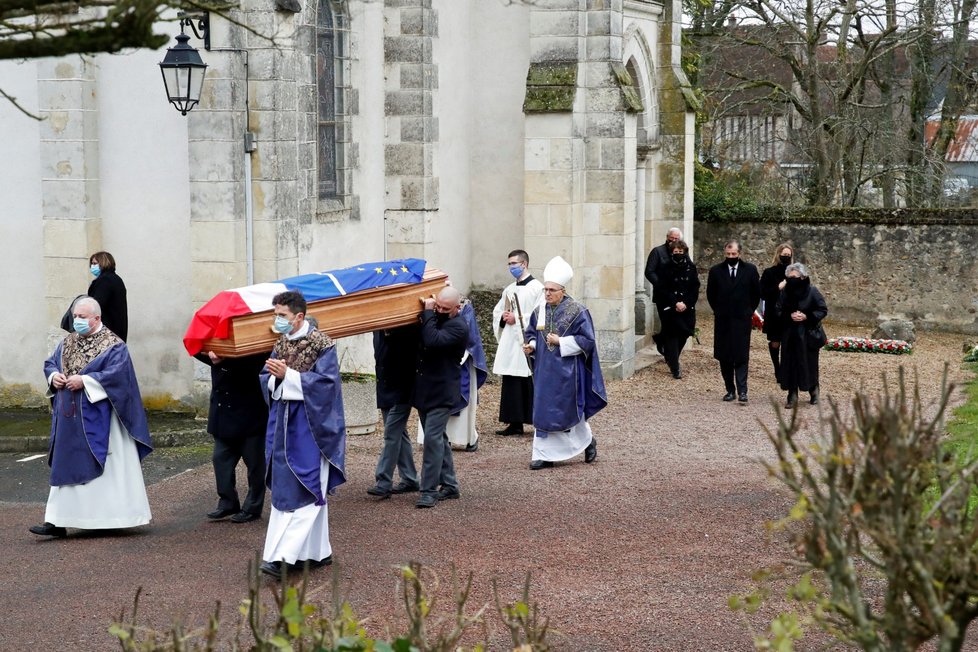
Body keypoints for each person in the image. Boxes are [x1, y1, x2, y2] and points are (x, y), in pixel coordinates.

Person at [31, 297, 153, 538]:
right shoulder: (67, 342)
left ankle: (109, 517)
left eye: (83, 317)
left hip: (101, 417)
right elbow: (51, 363)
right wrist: (54, 376)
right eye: (75, 317)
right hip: (69, 419)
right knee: (64, 462)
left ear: (96, 318)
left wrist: (86, 380)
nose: (78, 321)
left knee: (107, 468)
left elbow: (119, 376)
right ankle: (56, 520)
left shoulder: (114, 345)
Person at [258, 291, 346, 580]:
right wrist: (274, 378)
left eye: (281, 315)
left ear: (299, 316)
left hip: (312, 427)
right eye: (275, 314)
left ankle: (282, 557)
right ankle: (317, 552)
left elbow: (327, 386)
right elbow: (266, 377)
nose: (276, 320)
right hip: (283, 423)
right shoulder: (281, 343)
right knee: (286, 488)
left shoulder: (323, 345)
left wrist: (289, 377)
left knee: (308, 487)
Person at [522, 256, 607, 470]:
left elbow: (588, 341)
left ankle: (587, 442)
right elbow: (532, 333)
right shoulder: (539, 310)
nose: (547, 293)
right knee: (542, 410)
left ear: (563, 290)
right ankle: (543, 454)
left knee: (567, 411)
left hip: (568, 372)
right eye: (545, 290)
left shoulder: (578, 311)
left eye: (552, 290)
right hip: (544, 370)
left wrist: (562, 341)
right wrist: (531, 345)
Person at [194, 350, 268, 523]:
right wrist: (212, 356)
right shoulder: (217, 334)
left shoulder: (254, 342)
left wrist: (223, 359)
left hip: (250, 411)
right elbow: (195, 346)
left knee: (255, 465)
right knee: (220, 460)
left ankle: (252, 507)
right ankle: (228, 502)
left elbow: (256, 360)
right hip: (224, 412)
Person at [413, 286, 469, 508]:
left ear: (457, 308)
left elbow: (432, 340)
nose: (439, 310)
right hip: (426, 390)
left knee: (432, 440)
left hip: (442, 392)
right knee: (438, 439)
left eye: (444, 308)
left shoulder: (459, 326)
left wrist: (427, 313)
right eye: (437, 306)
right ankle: (450, 485)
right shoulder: (436, 318)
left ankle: (428, 490)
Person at [491, 249, 544, 436]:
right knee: (511, 380)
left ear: (524, 264)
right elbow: (498, 311)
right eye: (509, 264)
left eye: (514, 263)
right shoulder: (509, 289)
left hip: (527, 341)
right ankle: (514, 423)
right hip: (511, 342)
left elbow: (541, 315)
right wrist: (504, 317)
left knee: (529, 379)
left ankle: (537, 420)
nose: (511, 267)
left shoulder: (537, 288)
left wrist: (519, 317)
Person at [366, 324, 421, 499]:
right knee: (399, 435)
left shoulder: (408, 329)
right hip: (386, 387)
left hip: (402, 389)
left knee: (391, 434)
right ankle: (410, 478)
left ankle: (383, 481)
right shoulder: (378, 330)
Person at [706, 240, 760, 403]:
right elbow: (711, 294)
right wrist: (719, 310)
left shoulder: (750, 270)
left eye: (734, 254)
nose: (731, 257)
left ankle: (743, 391)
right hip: (723, 319)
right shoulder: (716, 271)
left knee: (741, 356)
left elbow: (756, 293)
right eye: (728, 254)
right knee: (724, 356)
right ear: (725, 254)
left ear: (739, 254)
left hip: (742, 319)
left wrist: (749, 311)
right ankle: (730, 389)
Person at [775, 263, 827, 408]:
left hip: (807, 334)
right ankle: (792, 395)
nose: (792, 280)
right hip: (790, 335)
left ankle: (814, 391)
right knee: (790, 364)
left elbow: (822, 309)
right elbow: (777, 310)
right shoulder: (785, 293)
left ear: (803, 277)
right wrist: (789, 315)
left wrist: (806, 316)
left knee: (809, 364)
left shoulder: (812, 291)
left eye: (795, 277)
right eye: (789, 277)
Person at [652, 239, 700, 379]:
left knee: (684, 333)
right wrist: (675, 303)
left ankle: (667, 351)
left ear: (685, 252)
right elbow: (662, 288)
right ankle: (675, 367)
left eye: (681, 251)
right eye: (676, 252)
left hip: (687, 306)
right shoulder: (665, 267)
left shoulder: (691, 267)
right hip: (670, 307)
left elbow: (694, 287)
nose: (678, 254)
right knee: (672, 335)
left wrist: (686, 302)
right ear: (672, 252)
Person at [644, 227, 685, 353]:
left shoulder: (683, 251)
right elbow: (649, 272)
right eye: (671, 238)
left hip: (679, 295)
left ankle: (661, 340)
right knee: (667, 323)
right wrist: (661, 285)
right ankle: (669, 352)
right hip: (663, 295)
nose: (673, 240)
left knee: (680, 325)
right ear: (667, 237)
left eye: (676, 238)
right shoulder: (657, 251)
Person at [760, 243, 794, 382]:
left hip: (789, 312)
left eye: (788, 255)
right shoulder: (769, 272)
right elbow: (762, 293)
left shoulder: (794, 272)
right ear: (778, 254)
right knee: (775, 342)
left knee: (788, 342)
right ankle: (777, 368)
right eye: (783, 254)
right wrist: (778, 287)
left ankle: (786, 370)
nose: (785, 257)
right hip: (773, 313)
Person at [87, 251, 128, 342]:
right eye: (92, 264)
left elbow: (97, 305)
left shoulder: (105, 281)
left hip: (106, 332)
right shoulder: (115, 279)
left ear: (103, 263)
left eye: (95, 263)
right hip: (116, 330)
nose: (92, 266)